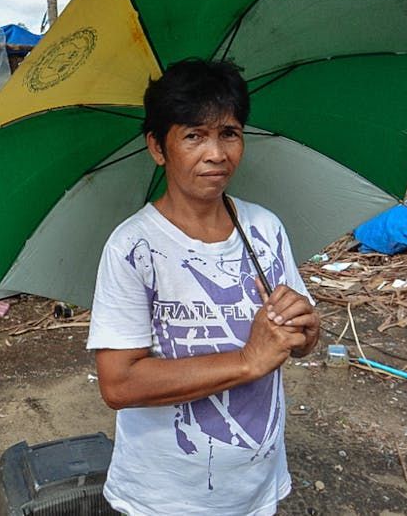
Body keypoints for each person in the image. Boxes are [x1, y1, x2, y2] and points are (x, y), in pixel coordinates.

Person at [87, 58, 321, 515]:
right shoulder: (133, 247)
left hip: (256, 486)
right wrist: (247, 360)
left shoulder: (265, 229)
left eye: (229, 133)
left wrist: (306, 330)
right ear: (158, 147)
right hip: (165, 497)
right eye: (194, 135)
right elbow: (118, 384)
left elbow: (301, 342)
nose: (217, 153)